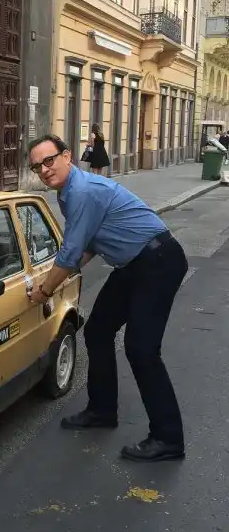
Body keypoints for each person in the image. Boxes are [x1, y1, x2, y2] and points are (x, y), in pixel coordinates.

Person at [27, 134, 188, 462]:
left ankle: (168, 438)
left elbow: (71, 252)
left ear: (67, 156)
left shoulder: (82, 191)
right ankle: (102, 410)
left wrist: (44, 290)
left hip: (157, 261)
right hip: (132, 264)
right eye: (36, 166)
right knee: (98, 330)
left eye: (49, 160)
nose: (44, 170)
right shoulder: (68, 192)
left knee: (141, 349)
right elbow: (87, 246)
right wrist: (62, 273)